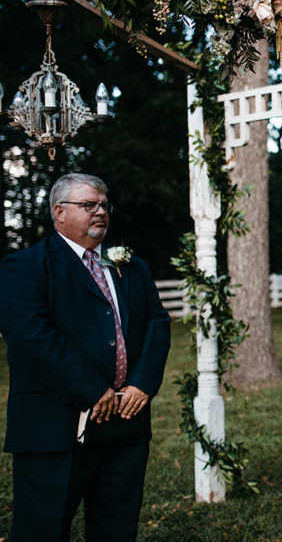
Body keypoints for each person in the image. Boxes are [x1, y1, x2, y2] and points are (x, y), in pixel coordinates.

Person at [0, 173, 171, 541]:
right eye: (88, 205)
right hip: (54, 427)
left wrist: (143, 383)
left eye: (104, 206)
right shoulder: (25, 267)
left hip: (126, 422)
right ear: (59, 212)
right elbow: (31, 338)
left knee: (116, 527)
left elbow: (158, 324)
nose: (100, 212)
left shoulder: (131, 266)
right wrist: (94, 390)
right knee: (42, 529)